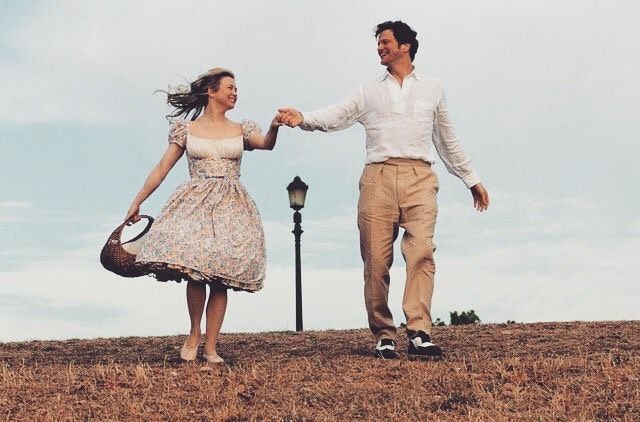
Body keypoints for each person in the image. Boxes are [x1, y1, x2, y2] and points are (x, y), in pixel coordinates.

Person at [279, 21, 489, 360]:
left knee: (421, 252)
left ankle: (419, 332)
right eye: (378, 43)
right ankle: (384, 334)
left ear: (405, 46)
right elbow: (336, 115)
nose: (379, 47)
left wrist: (471, 179)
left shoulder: (433, 88)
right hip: (377, 179)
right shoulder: (368, 91)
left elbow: (447, 139)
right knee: (376, 261)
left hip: (420, 177)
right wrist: (302, 117)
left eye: (386, 42)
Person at [125, 67, 282, 364]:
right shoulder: (187, 129)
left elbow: (266, 144)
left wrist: (274, 126)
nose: (235, 92)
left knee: (220, 278)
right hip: (195, 202)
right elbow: (161, 169)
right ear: (212, 91)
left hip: (231, 205)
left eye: (236, 88)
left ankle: (211, 345)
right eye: (229, 87)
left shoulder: (242, 129)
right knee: (195, 269)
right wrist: (137, 201)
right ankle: (194, 333)